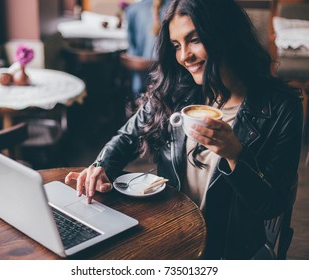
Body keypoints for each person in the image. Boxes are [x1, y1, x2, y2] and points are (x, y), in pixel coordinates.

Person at [65, 0, 303, 259]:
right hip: (171, 235)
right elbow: (126, 138)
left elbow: (271, 205)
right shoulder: (176, 90)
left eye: (195, 40)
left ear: (225, 34)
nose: (184, 56)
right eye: (177, 45)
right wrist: (101, 167)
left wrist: (236, 154)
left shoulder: (281, 107)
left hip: (227, 251)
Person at [125, 0, 171, 99]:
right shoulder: (177, 6)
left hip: (140, 86)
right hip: (170, 84)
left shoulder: (133, 10)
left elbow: (131, 52)